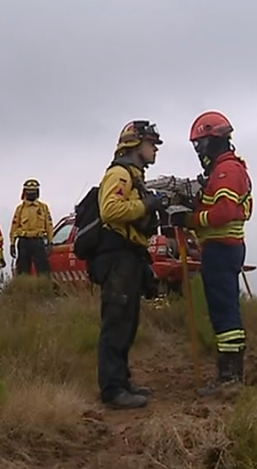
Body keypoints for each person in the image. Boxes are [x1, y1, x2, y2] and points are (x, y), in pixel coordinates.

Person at [170, 110, 254, 397]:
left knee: (225, 314)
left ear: (212, 140)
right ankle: (230, 376)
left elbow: (224, 211)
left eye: (199, 144)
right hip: (222, 248)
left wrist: (190, 220)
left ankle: (230, 380)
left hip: (222, 249)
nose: (198, 151)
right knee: (224, 311)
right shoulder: (226, 169)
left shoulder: (227, 171)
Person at [91, 120, 165, 410]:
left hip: (130, 257)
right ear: (134, 145)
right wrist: (147, 206)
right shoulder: (120, 174)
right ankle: (112, 390)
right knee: (117, 322)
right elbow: (110, 210)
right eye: (150, 143)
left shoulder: (134, 176)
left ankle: (122, 382)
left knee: (128, 322)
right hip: (117, 257)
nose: (155, 149)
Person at [9, 178, 54, 276]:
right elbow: (14, 226)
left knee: (43, 269)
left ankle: (43, 287)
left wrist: (50, 242)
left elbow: (49, 225)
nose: (31, 194)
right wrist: (12, 243)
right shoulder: (20, 209)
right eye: (29, 191)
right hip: (24, 241)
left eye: (33, 191)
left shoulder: (43, 207)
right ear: (25, 192)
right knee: (23, 269)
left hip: (38, 241)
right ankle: (24, 288)